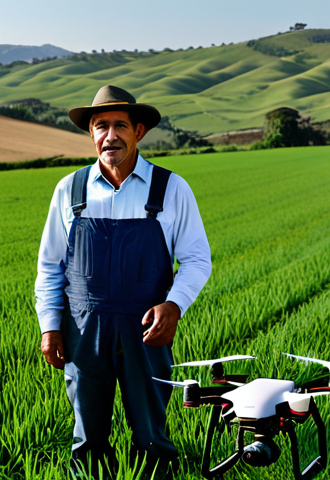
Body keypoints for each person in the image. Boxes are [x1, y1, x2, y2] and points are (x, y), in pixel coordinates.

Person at [35, 85, 212, 478]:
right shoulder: (70, 190)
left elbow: (198, 259)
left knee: (151, 435)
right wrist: (50, 327)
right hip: (83, 329)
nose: (109, 136)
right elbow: (50, 266)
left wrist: (174, 304)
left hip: (145, 328)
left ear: (139, 131)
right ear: (92, 134)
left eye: (119, 126)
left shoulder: (171, 188)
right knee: (88, 437)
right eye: (101, 126)